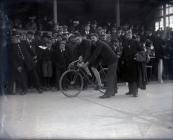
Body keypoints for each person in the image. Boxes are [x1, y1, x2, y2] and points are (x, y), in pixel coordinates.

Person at [84, 33, 118, 98]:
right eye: (91, 38)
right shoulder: (94, 44)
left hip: (112, 60)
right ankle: (113, 91)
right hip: (106, 59)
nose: (92, 39)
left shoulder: (100, 44)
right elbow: (90, 54)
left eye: (93, 38)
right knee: (112, 76)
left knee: (110, 76)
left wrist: (87, 63)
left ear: (97, 38)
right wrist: (85, 61)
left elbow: (95, 55)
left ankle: (108, 93)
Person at [121, 30, 147, 97]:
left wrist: (137, 56)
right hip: (127, 63)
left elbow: (142, 51)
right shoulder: (125, 43)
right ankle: (130, 91)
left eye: (129, 34)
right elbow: (123, 53)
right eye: (127, 34)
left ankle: (135, 92)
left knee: (135, 78)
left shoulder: (136, 42)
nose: (128, 35)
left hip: (134, 63)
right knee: (129, 78)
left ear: (132, 35)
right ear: (126, 36)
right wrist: (122, 60)